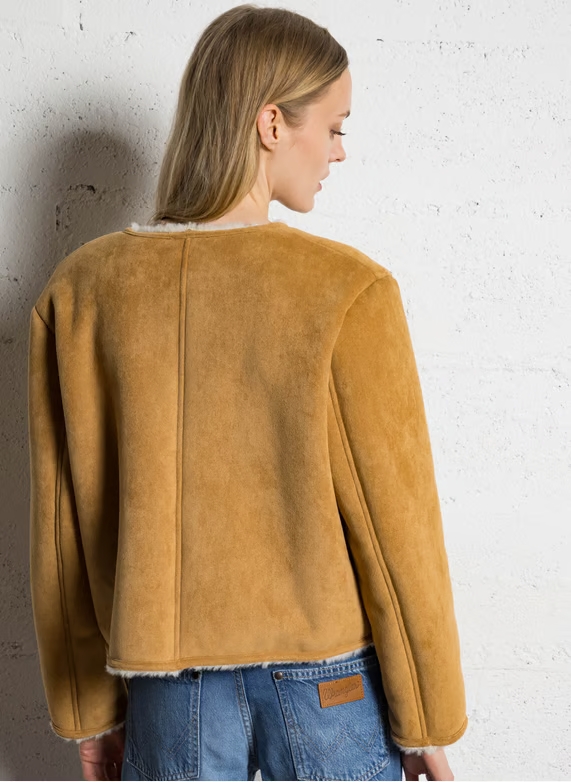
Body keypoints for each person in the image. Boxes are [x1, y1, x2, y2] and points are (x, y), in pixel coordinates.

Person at [27, 5, 468, 781]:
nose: (339, 151)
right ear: (271, 123)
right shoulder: (345, 290)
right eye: (333, 127)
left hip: (167, 688)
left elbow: (68, 535)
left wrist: (88, 714)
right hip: (326, 680)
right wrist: (426, 717)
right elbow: (396, 530)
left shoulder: (83, 292)